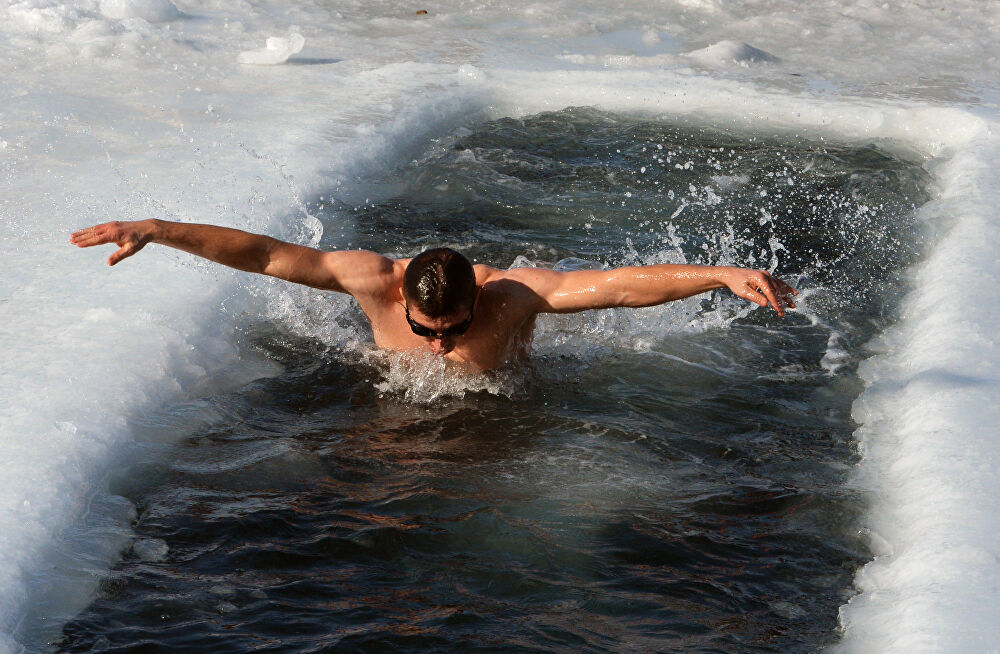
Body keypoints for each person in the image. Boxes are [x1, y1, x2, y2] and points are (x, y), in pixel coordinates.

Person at [71, 219, 797, 371]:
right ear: (404, 303)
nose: (442, 344)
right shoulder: (369, 279)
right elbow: (263, 255)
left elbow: (613, 289)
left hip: (499, 421)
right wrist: (159, 229)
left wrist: (719, 274)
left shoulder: (512, 294)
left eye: (453, 329)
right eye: (428, 333)